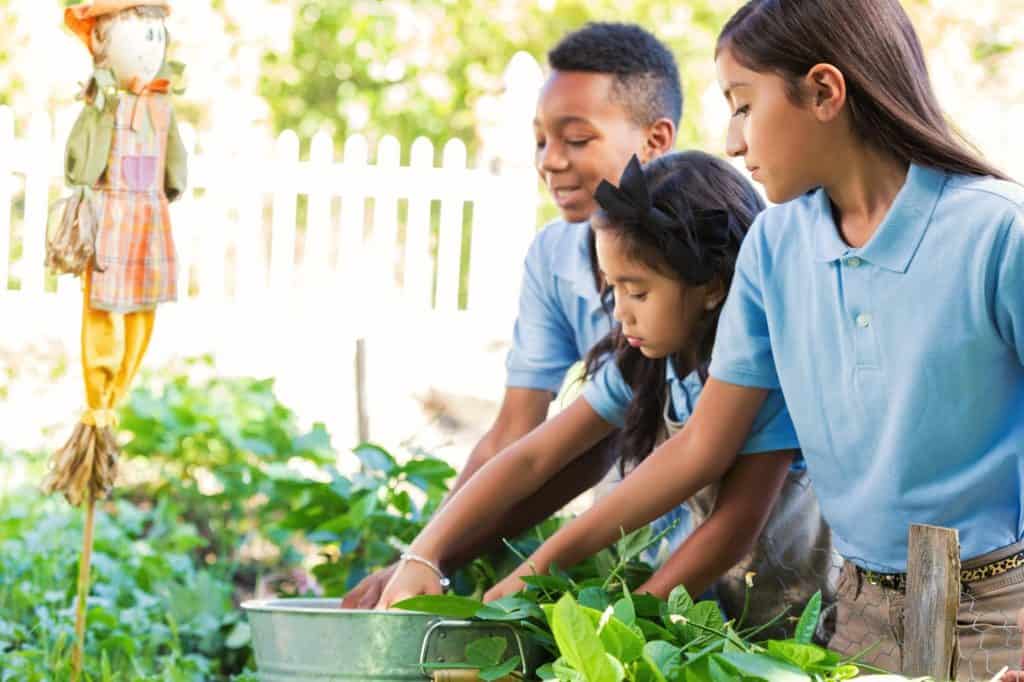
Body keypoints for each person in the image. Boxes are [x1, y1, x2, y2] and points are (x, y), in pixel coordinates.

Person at [468, 1, 1024, 678]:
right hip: (861, 616)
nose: (732, 141)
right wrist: (541, 571)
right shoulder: (773, 245)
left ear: (824, 92)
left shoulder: (997, 234)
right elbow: (703, 446)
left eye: (742, 105)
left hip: (1002, 612)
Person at [377, 151, 834, 639]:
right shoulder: (649, 364)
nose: (619, 311)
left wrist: (620, 624)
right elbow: (532, 457)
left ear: (711, 287)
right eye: (612, 288)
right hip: (719, 617)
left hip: (802, 625)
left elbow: (734, 526)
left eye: (637, 292)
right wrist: (425, 551)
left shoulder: (765, 373)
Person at [341, 22, 687, 608]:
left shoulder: (710, 256)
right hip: (637, 545)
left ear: (655, 141)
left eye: (577, 140)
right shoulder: (554, 257)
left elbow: (696, 454)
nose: (550, 161)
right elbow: (516, 435)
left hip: (744, 546)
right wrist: (425, 557)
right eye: (541, 141)